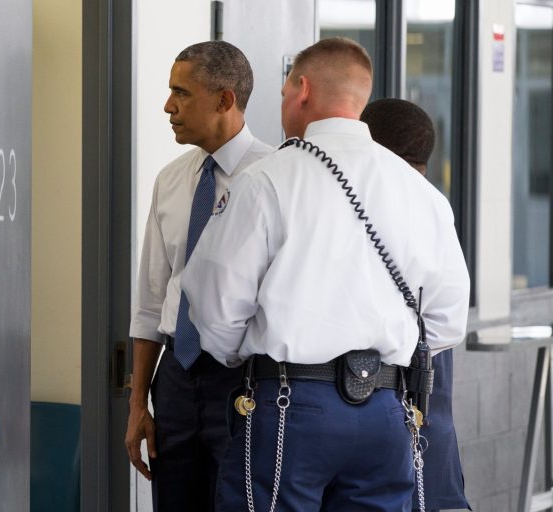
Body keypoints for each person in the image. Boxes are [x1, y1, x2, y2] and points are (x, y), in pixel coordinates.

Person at [182, 37, 470, 512]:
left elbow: (213, 303)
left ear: (302, 89)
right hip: (386, 413)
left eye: (282, 93)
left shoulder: (268, 180)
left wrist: (247, 357)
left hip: (290, 404)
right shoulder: (422, 194)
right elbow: (445, 321)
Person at [125, 40, 273, 512]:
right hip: (176, 376)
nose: (167, 106)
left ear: (224, 100)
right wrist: (137, 405)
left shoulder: (276, 178)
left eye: (181, 93)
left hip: (244, 379)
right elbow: (151, 301)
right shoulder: (170, 179)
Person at [361, 98, 471, 512]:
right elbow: (449, 320)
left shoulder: (386, 201)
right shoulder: (434, 203)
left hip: (393, 381)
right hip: (425, 374)